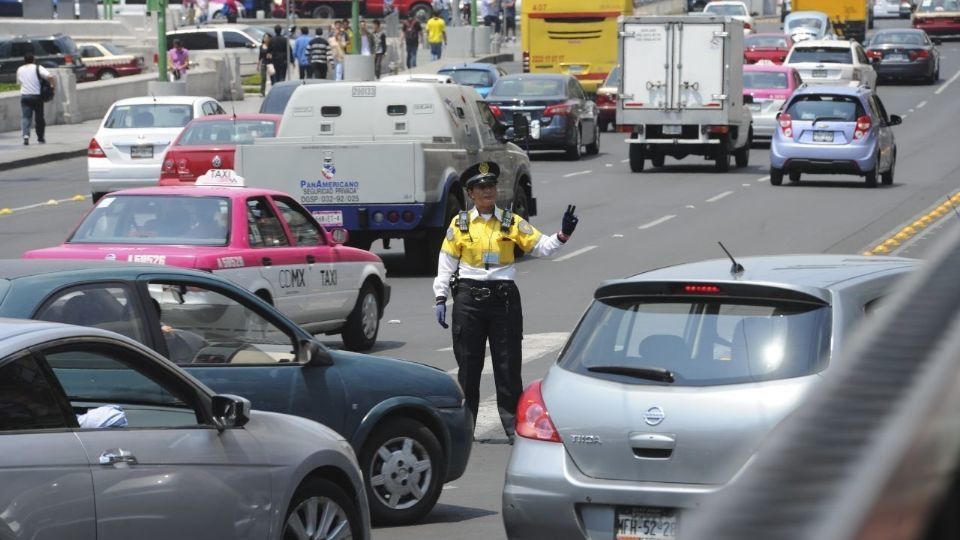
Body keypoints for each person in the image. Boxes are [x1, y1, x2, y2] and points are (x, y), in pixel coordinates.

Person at [432, 162, 579, 442]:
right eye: (481, 187)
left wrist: (563, 235)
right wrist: (440, 296)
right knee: (468, 366)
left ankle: (513, 428)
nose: (488, 192)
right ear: (471, 193)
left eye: (491, 186)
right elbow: (446, 263)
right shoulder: (460, 224)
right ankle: (465, 428)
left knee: (508, 364)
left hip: (504, 299)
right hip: (469, 299)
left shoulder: (510, 222)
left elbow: (541, 247)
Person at [16, 53, 55, 146]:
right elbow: (50, 77)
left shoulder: (20, 69)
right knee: (39, 118)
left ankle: (25, 135)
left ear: (24, 60)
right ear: (33, 60)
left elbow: (19, 83)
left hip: (25, 96)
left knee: (26, 117)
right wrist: (53, 86)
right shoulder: (37, 67)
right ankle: (40, 138)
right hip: (37, 96)